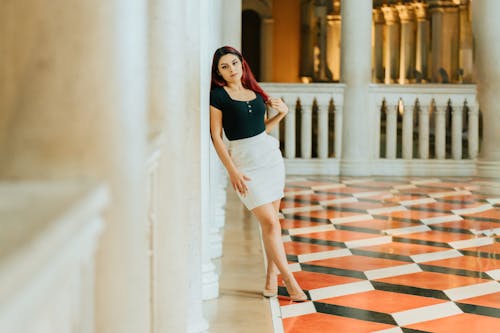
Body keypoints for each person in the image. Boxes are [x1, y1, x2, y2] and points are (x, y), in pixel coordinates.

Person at [209, 46, 307, 302]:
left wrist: (282, 114)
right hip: (245, 166)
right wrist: (232, 170)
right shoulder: (218, 96)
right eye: (224, 66)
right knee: (271, 223)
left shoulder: (255, 93)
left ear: (242, 64)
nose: (231, 69)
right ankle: (290, 281)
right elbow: (217, 137)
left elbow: (259, 130)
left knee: (272, 223)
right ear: (218, 72)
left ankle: (270, 279)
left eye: (234, 63)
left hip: (270, 159)